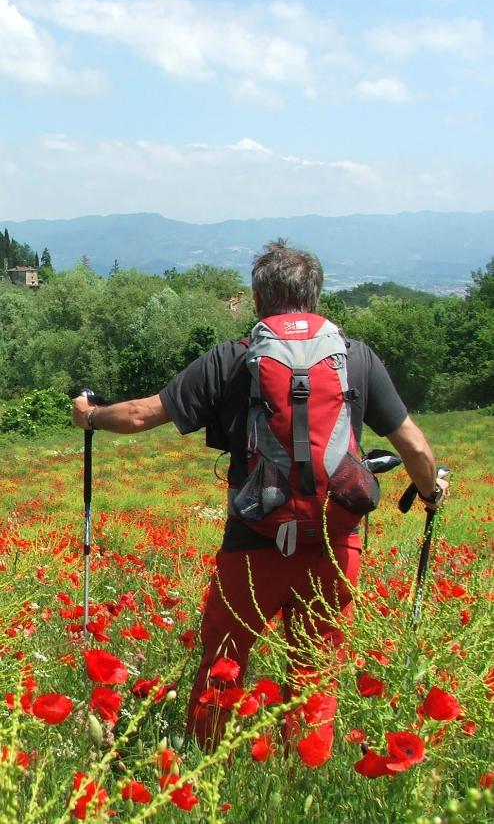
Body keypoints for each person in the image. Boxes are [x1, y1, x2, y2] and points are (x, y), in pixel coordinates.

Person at [72, 240, 448, 753]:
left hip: (252, 541)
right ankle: (302, 782)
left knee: (223, 664)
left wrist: (91, 415)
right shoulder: (356, 360)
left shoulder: (233, 359)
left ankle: (204, 778)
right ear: (315, 298)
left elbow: (141, 416)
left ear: (257, 299)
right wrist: (431, 492)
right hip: (334, 547)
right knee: (314, 675)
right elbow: (415, 447)